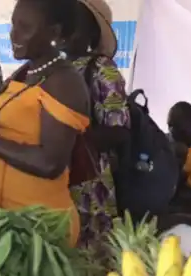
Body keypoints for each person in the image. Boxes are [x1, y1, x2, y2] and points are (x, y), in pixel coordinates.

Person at [0, 0, 91, 246]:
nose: (14, 34)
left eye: (25, 27)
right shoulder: (26, 72)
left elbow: (50, 163)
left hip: (40, 227)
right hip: (5, 220)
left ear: (54, 33)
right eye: (14, 24)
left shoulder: (64, 81)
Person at [63, 0, 129, 248]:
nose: (66, 30)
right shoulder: (54, 67)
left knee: (91, 258)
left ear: (92, 32)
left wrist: (70, 141)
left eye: (74, 24)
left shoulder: (102, 68)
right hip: (57, 180)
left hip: (89, 186)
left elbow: (119, 131)